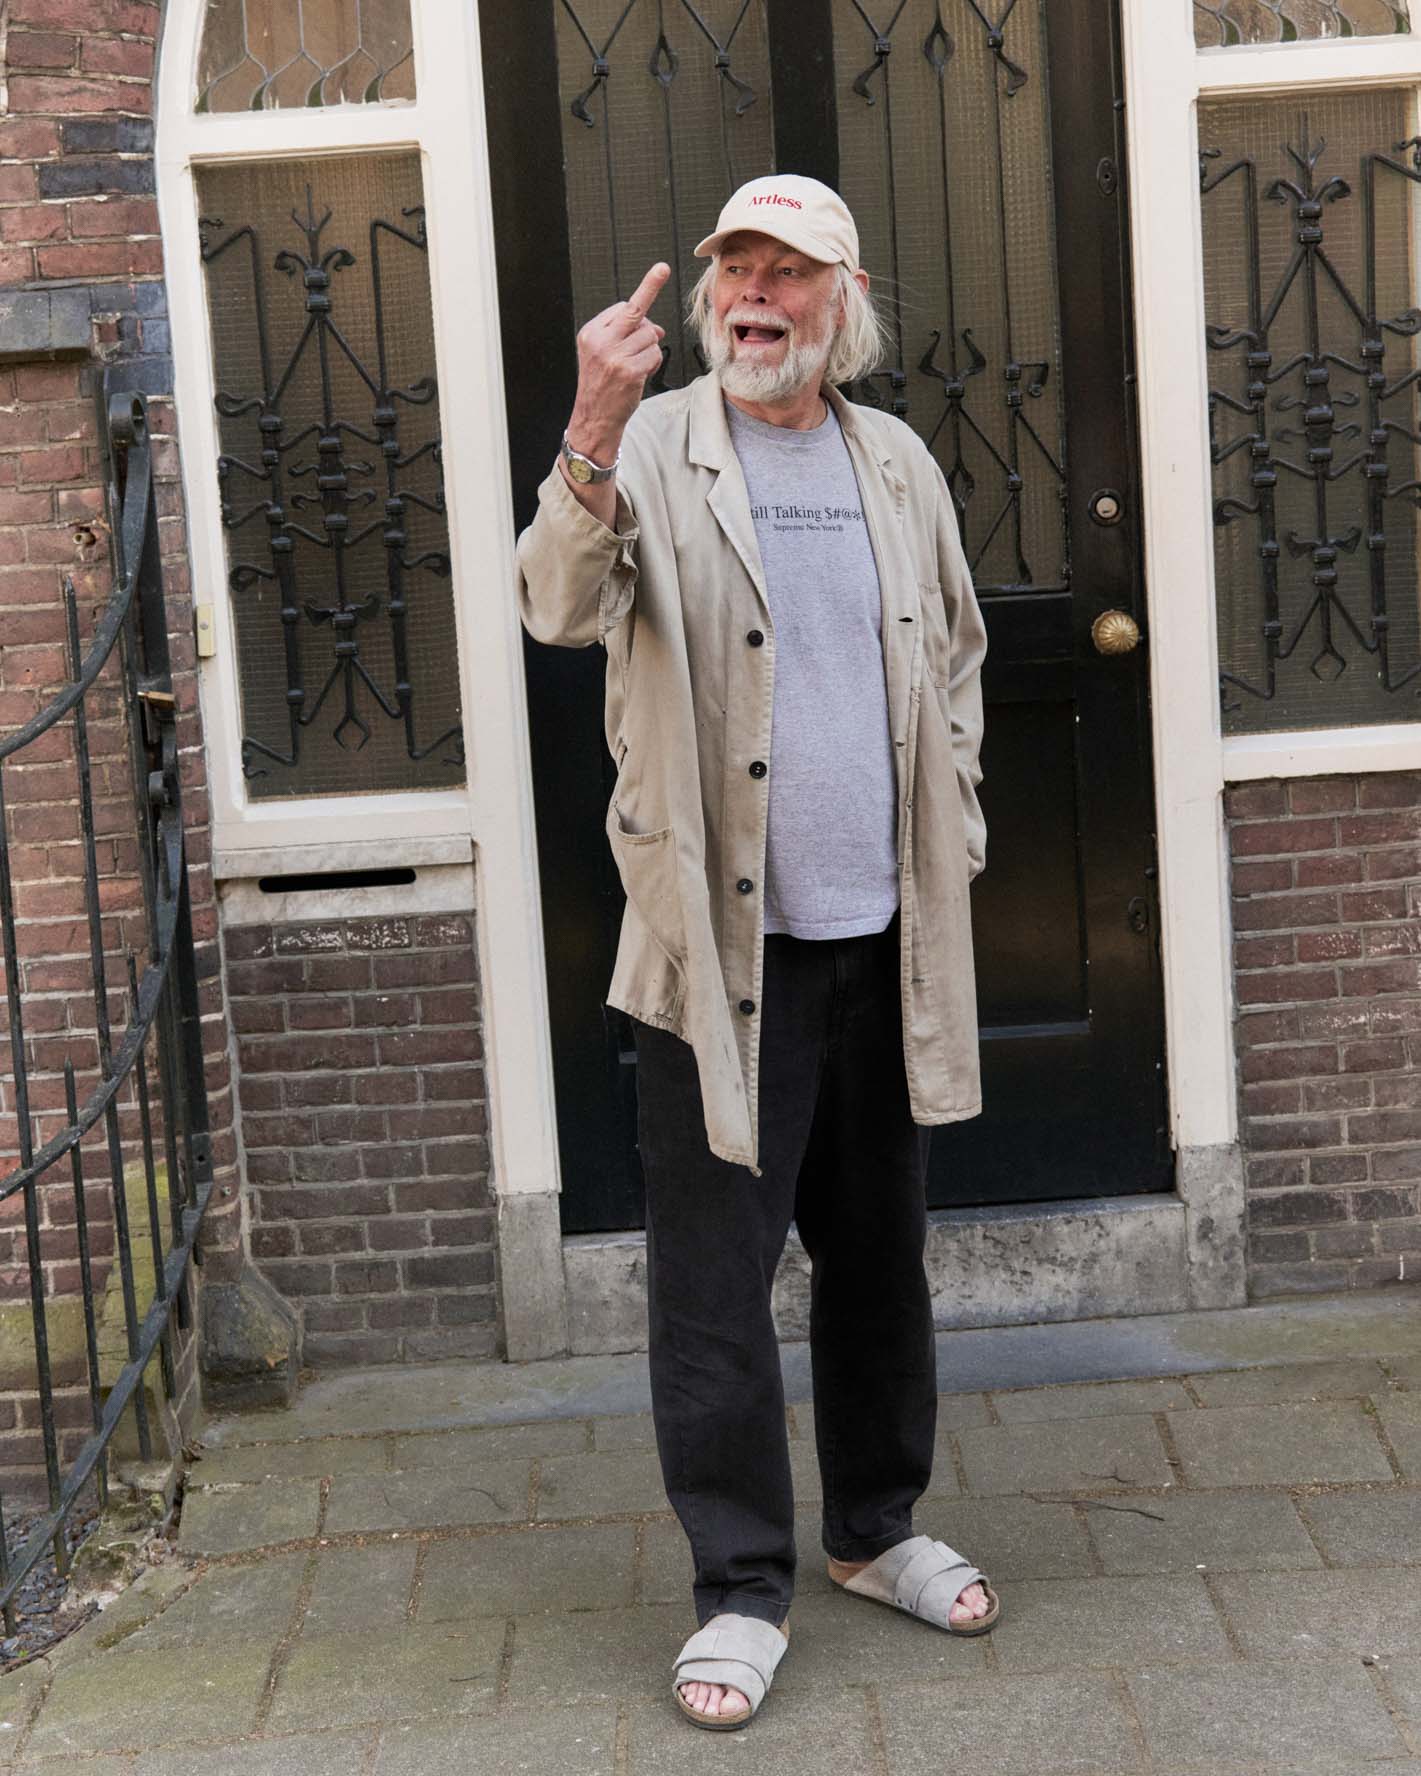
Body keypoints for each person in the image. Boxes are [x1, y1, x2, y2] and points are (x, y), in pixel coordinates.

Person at [514, 174, 996, 1732]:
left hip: (885, 936)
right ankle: (738, 1585)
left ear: (840, 306)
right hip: (723, 958)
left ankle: (874, 1529)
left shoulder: (896, 460)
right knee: (714, 1287)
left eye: (790, 272)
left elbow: (959, 651)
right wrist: (590, 421)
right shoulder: (655, 448)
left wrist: (959, 825)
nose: (755, 295)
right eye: (738, 267)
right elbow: (554, 608)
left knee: (879, 1262)